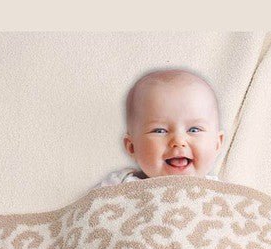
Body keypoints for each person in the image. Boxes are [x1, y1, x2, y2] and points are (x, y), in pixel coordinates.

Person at [93, 68, 224, 187]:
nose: (178, 141)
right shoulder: (118, 186)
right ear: (132, 147)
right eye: (160, 131)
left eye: (194, 130)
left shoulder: (221, 193)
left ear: (217, 144)